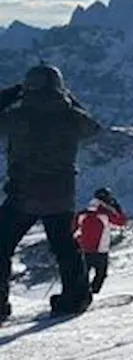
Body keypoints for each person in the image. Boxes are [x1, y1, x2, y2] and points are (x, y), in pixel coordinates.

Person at [0, 64, 101, 320]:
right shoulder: (70, 115)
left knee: (2, 245)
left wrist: (11, 94)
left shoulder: (17, 115)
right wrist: (69, 99)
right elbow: (93, 128)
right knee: (66, 247)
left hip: (23, 195)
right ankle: (76, 298)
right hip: (61, 196)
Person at [74, 187, 126, 294]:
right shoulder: (105, 214)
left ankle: (80, 293)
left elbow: (73, 229)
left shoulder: (82, 214)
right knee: (101, 274)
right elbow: (121, 222)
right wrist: (117, 208)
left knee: (82, 274)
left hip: (83, 248)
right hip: (100, 249)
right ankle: (92, 293)